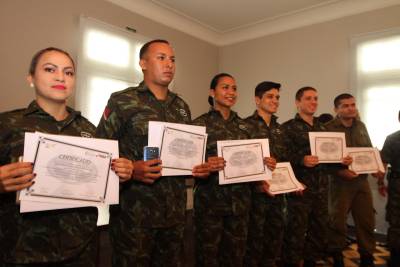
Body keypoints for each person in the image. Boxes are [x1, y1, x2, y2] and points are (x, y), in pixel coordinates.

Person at [0, 47, 133, 266]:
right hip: (22, 251)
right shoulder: (7, 124)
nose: (60, 76)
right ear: (31, 78)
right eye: (50, 69)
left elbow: (102, 184)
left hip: (83, 249)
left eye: (68, 72)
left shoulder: (90, 130)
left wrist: (122, 172)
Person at [95, 39, 210, 267]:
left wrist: (198, 167)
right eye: (161, 58)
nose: (169, 64)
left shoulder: (181, 106)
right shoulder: (123, 100)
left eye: (173, 59)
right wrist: (132, 169)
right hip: (134, 213)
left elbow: (185, 152)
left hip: (175, 213)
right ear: (143, 63)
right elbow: (100, 151)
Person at [192, 73, 276, 267]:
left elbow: (253, 163)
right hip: (210, 204)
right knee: (208, 256)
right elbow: (189, 164)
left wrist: (265, 166)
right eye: (225, 87)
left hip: (241, 205)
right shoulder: (199, 125)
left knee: (235, 256)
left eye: (234, 88)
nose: (231, 92)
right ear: (212, 92)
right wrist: (206, 163)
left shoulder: (247, 127)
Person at [281, 86, 345, 267]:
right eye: (308, 98)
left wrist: (342, 159)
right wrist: (301, 160)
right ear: (297, 102)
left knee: (318, 231)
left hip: (321, 190)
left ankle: (311, 261)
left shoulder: (323, 128)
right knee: (295, 233)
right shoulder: (287, 128)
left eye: (316, 98)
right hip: (299, 191)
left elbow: (330, 159)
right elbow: (281, 158)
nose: (313, 102)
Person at [326, 93, 381, 267]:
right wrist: (340, 172)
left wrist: (376, 168)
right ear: (336, 109)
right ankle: (337, 256)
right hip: (339, 182)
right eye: (346, 105)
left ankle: (367, 256)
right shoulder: (327, 128)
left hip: (361, 181)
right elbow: (323, 159)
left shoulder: (361, 126)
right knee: (337, 223)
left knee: (366, 220)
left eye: (353, 104)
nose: (351, 108)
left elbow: (369, 151)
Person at [243, 81, 286, 267]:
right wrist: (257, 180)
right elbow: (240, 162)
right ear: (257, 100)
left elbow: (285, 160)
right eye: (270, 96)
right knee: (253, 242)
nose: (275, 100)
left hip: (277, 195)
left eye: (277, 97)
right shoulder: (245, 126)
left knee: (273, 240)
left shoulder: (280, 128)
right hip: (254, 196)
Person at [381, 110, 400, 267]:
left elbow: (383, 163)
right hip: (397, 184)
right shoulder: (393, 139)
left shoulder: (392, 138)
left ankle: (395, 257)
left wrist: (381, 183)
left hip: (396, 184)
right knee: (396, 221)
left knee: (395, 221)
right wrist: (381, 182)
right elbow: (383, 163)